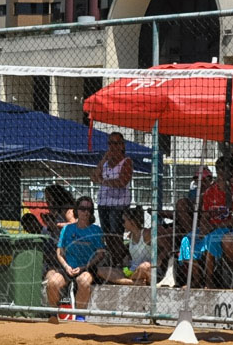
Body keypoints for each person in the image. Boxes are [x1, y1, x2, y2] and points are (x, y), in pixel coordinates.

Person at [45, 195, 122, 322]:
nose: (85, 212)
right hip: (69, 267)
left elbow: (100, 254)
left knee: (83, 281)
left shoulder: (95, 230)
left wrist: (85, 267)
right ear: (76, 210)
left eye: (89, 209)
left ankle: (80, 317)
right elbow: (59, 252)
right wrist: (66, 267)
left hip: (87, 268)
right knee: (52, 282)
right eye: (82, 209)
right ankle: (53, 315)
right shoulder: (67, 229)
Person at [199, 156, 233, 288]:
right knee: (188, 239)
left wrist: (214, 226)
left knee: (212, 238)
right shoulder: (209, 192)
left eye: (226, 170)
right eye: (220, 170)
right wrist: (204, 227)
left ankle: (209, 281)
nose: (222, 173)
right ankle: (195, 279)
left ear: (231, 172)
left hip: (230, 230)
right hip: (211, 228)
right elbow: (205, 216)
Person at [91, 131, 133, 266]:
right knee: (108, 235)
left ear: (122, 145)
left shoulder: (126, 162)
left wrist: (103, 181)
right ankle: (114, 261)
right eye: (110, 143)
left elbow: (122, 181)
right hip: (104, 203)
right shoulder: (105, 163)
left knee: (116, 235)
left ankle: (120, 261)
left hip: (118, 204)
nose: (112, 147)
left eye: (115, 143)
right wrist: (104, 159)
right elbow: (93, 176)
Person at [120, 204, 152, 285]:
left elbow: (161, 248)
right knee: (102, 270)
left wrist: (159, 259)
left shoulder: (146, 234)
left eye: (124, 221)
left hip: (145, 270)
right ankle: (133, 281)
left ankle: (129, 280)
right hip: (133, 269)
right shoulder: (130, 235)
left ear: (132, 221)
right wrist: (126, 259)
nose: (122, 224)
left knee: (144, 266)